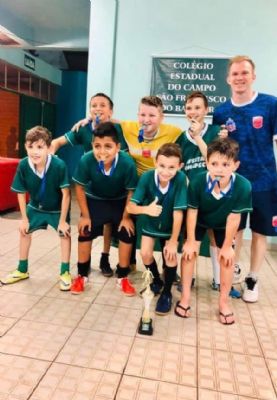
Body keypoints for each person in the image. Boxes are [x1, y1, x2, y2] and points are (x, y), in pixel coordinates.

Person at [213, 55, 277, 302]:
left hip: (265, 180)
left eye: (244, 73)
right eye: (235, 73)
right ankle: (232, 271)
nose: (240, 77)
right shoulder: (221, 112)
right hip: (234, 183)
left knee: (260, 232)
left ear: (253, 76)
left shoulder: (270, 105)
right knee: (235, 231)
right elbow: (218, 148)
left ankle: (253, 278)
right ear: (228, 78)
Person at [51, 93, 128, 278]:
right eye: (94, 105)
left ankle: (105, 257)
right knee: (86, 227)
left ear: (110, 111)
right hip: (92, 188)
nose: (98, 108)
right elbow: (56, 142)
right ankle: (83, 269)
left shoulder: (120, 129)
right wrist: (50, 160)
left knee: (112, 225)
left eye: (102, 105)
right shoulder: (83, 128)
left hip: (115, 188)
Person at [177, 138, 252, 324]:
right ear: (207, 163)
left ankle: (224, 302)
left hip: (223, 224)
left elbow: (234, 217)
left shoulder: (243, 186)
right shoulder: (197, 181)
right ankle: (185, 297)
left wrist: (227, 246)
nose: (219, 169)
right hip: (200, 220)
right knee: (188, 254)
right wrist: (190, 240)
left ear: (236, 165)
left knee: (227, 258)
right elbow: (192, 211)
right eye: (214, 163)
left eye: (226, 164)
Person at [177, 91, 241, 297]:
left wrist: (198, 137)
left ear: (206, 110)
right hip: (195, 196)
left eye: (197, 107)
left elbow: (212, 159)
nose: (193, 112)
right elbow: (181, 167)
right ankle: (188, 278)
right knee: (191, 238)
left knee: (217, 238)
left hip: (217, 193)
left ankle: (218, 280)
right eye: (189, 108)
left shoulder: (216, 132)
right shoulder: (181, 137)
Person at [71, 121, 138, 295]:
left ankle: (122, 277)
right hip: (95, 200)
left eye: (108, 146)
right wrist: (85, 215)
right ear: (92, 145)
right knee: (85, 230)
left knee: (127, 232)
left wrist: (126, 217)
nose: (102, 151)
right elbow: (79, 187)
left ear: (118, 147)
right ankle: (82, 275)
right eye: (97, 146)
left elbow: (131, 191)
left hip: (119, 201)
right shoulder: (87, 160)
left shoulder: (127, 163)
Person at [0, 126, 71, 291]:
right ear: (25, 146)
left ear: (48, 147)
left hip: (57, 209)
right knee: (24, 232)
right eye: (30, 147)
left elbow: (66, 195)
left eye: (40, 147)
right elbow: (20, 192)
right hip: (35, 207)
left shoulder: (59, 165)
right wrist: (24, 219)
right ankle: (22, 269)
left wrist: (62, 221)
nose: (35, 152)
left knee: (64, 234)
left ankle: (65, 272)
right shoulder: (24, 165)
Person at [127, 143, 187, 315]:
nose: (165, 171)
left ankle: (167, 292)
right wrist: (146, 209)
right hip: (151, 224)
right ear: (155, 162)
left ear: (179, 167)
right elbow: (131, 207)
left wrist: (174, 241)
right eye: (162, 166)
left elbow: (178, 213)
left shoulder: (181, 179)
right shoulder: (146, 177)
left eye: (171, 167)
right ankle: (157, 281)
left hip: (171, 226)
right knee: (145, 253)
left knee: (170, 255)